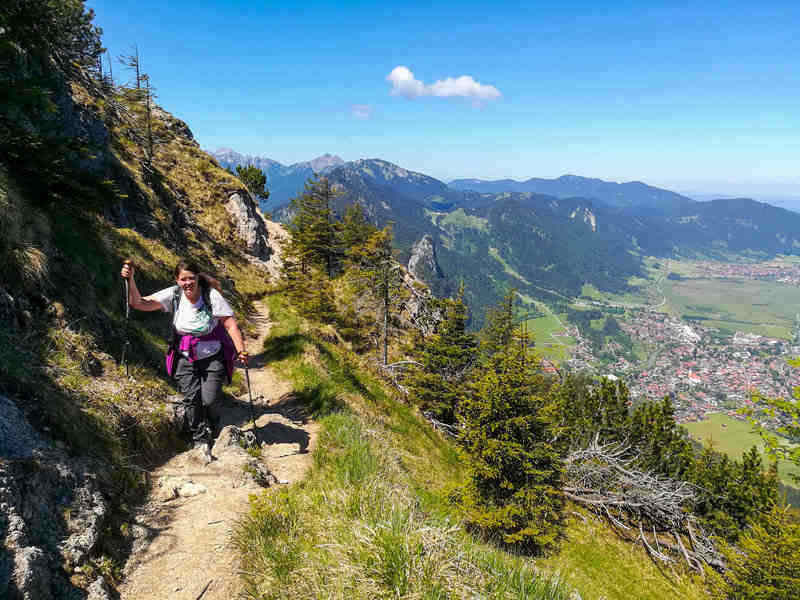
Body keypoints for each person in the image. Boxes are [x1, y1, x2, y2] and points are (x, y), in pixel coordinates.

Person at [120, 259, 248, 454]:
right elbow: (138, 303)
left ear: (198, 278)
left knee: (209, 399)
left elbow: (229, 323)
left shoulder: (210, 295)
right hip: (183, 355)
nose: (187, 283)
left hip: (212, 355)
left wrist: (241, 350)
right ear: (177, 280)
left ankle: (213, 425)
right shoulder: (174, 295)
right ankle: (199, 438)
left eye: (191, 278)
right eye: (183, 279)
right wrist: (131, 279)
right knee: (191, 398)